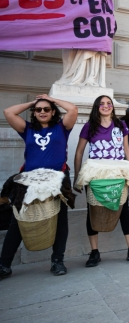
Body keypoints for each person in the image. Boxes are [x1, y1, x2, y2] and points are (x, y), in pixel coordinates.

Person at [0, 95, 78, 278]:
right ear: (34, 113)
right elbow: (8, 112)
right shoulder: (26, 129)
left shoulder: (62, 127)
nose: (42, 112)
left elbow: (73, 109)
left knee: (60, 219)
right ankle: (4, 265)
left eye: (46, 109)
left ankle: (57, 261)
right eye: (38, 110)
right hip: (30, 180)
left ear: (52, 112)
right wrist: (32, 103)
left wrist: (51, 99)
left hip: (57, 178)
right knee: (18, 219)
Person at [74, 95, 129, 267]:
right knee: (93, 211)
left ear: (112, 107)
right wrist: (77, 177)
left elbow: (126, 149)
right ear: (97, 107)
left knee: (124, 210)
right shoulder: (90, 126)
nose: (106, 106)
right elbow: (79, 152)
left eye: (109, 103)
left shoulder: (121, 125)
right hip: (97, 174)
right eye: (102, 104)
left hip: (117, 173)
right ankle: (94, 252)